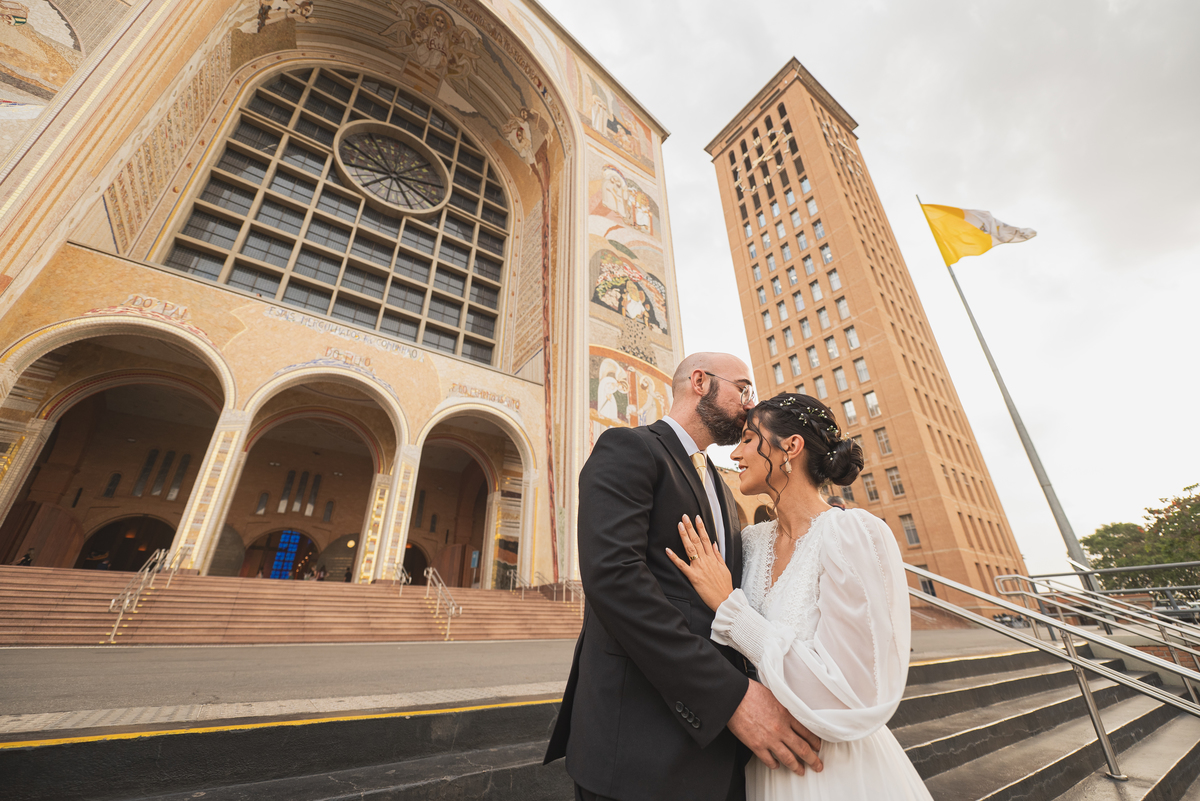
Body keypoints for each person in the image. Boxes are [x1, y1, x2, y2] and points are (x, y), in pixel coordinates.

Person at [545, 353, 823, 801]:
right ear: (700, 381)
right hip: (640, 750)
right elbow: (615, 581)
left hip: (720, 759)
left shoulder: (721, 485)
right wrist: (729, 697)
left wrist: (821, 528)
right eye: (743, 389)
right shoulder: (630, 448)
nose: (751, 405)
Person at [667, 394, 932, 800]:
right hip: (761, 763)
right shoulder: (750, 544)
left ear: (791, 447)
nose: (735, 454)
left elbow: (853, 694)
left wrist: (731, 611)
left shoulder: (852, 535)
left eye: (749, 439)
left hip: (835, 772)